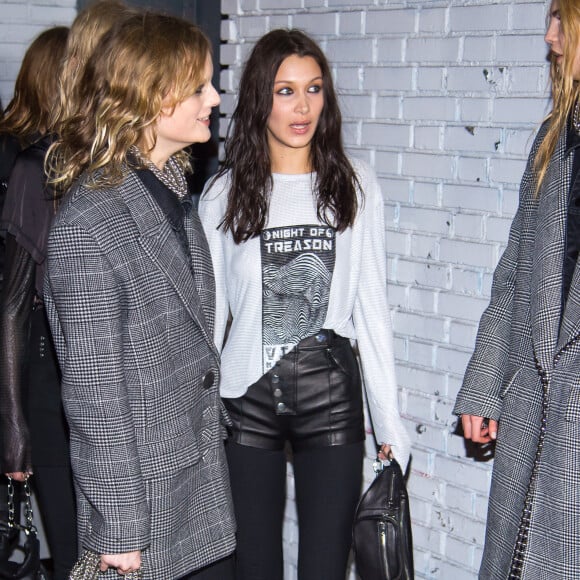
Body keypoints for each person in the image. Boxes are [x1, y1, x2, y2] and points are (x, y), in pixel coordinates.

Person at [199, 28, 411, 580]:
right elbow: (210, 318)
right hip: (246, 397)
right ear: (259, 99)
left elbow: (371, 309)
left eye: (313, 89)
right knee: (254, 567)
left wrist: (390, 423)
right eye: (285, 90)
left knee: (325, 568)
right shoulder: (223, 193)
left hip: (331, 396)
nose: (302, 106)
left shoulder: (356, 185)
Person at [44, 11, 235, 580]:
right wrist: (118, 527)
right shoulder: (90, 222)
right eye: (199, 85)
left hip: (193, 478)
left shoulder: (170, 189)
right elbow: (93, 394)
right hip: (143, 506)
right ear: (152, 95)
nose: (215, 98)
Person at [454, 1, 580, 578]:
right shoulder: (557, 136)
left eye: (562, 18)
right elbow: (516, 270)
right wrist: (484, 386)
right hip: (536, 402)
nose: (549, 36)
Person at [0, 25, 75, 580]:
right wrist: (15, 423)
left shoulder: (88, 167)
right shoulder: (30, 168)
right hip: (39, 367)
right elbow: (13, 302)